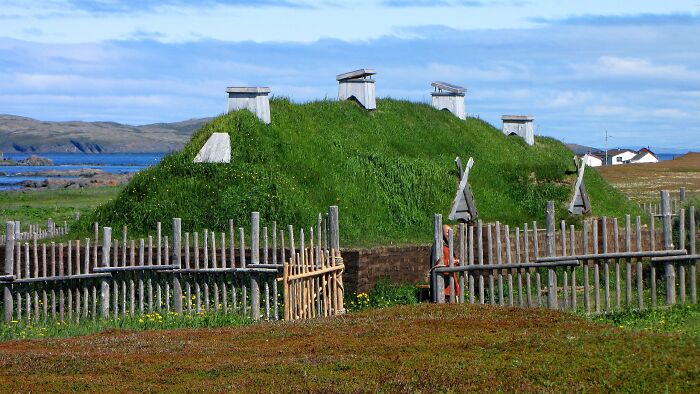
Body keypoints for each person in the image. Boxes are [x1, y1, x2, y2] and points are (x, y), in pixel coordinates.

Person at [429, 224, 460, 300]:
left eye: (450, 232)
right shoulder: (438, 247)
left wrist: (457, 261)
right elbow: (438, 264)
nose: (449, 235)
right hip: (443, 284)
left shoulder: (448, 246)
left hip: (451, 283)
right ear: (442, 233)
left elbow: (453, 262)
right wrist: (449, 262)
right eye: (447, 232)